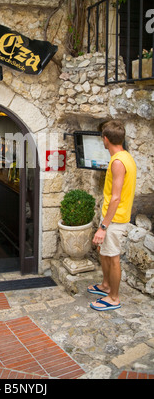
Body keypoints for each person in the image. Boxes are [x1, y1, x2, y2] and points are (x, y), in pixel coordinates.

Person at [88, 120, 136, 311]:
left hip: (114, 219)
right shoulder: (126, 157)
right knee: (104, 252)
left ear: (105, 139)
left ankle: (114, 297)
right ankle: (106, 285)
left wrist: (103, 227)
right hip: (113, 216)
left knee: (113, 257)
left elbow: (116, 198)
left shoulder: (117, 162)